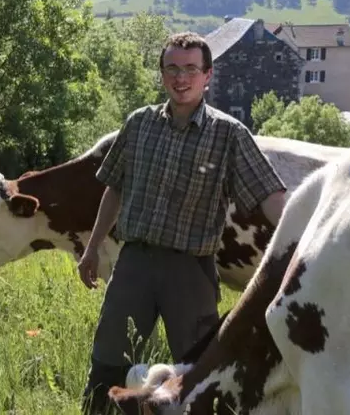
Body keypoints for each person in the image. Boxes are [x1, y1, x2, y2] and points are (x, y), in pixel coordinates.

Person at [77, 32, 287, 414]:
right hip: (135, 264)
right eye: (172, 68)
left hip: (190, 272)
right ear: (161, 75)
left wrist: (301, 242)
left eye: (191, 69)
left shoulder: (229, 134)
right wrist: (92, 249)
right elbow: (114, 190)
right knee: (108, 360)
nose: (181, 77)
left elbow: (269, 196)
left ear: (207, 75)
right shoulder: (139, 124)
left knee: (200, 370)